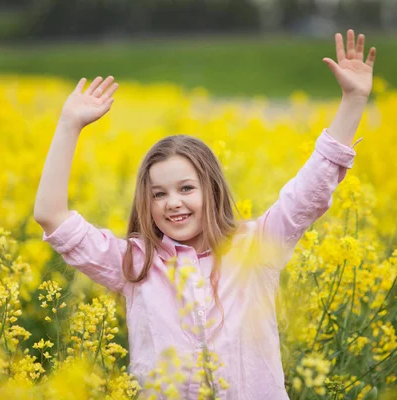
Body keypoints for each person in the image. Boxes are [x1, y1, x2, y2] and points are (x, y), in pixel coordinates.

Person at [34, 29, 376, 399]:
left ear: (211, 191)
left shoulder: (257, 247)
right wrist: (69, 126)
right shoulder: (135, 264)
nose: (172, 203)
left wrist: (354, 100)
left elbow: (311, 189)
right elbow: (51, 217)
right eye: (158, 194)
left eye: (186, 189)